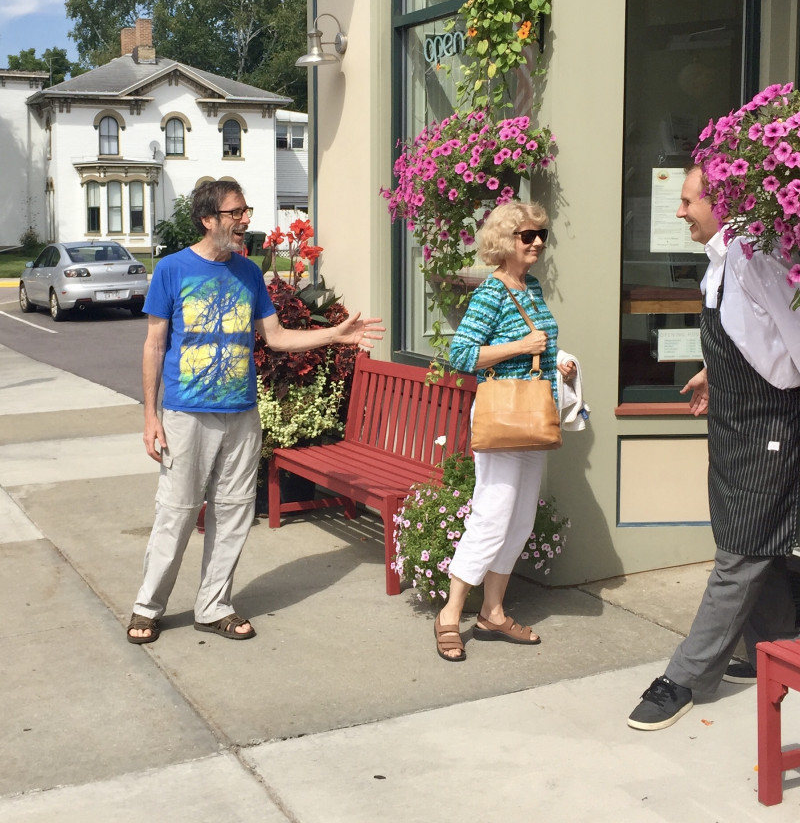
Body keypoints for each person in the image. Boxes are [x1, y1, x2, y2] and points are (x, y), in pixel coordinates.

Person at [626, 166, 800, 729]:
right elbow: (756, 340)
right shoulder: (721, 262)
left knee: (741, 553)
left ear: (720, 202)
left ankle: (685, 677)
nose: (679, 212)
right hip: (734, 421)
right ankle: (783, 647)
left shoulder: (758, 257)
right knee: (748, 536)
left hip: (770, 424)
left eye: (687, 201)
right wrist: (710, 375)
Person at [127, 179, 384, 644]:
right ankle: (147, 607)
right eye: (236, 212)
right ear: (209, 220)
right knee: (177, 512)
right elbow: (154, 343)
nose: (247, 219)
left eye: (247, 210)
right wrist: (151, 417)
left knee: (232, 513)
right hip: (187, 414)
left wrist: (335, 335)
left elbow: (279, 337)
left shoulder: (248, 273)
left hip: (242, 415)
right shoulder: (171, 269)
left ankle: (214, 606)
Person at [433, 200, 575, 661]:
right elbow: (461, 355)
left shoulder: (530, 287)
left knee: (519, 520)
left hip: (530, 413)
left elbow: (537, 349)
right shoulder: (492, 291)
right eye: (526, 235)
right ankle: (450, 614)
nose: (536, 243)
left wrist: (558, 360)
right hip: (502, 414)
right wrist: (522, 344)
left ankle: (493, 612)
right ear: (505, 241)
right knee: (492, 514)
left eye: (541, 236)